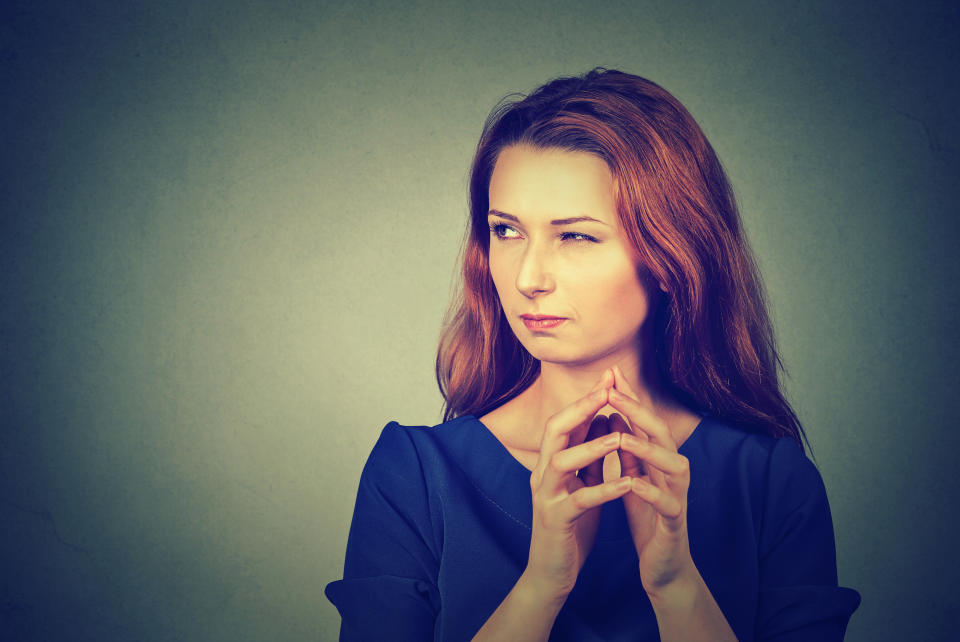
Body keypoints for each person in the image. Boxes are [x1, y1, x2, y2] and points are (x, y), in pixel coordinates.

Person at [325, 68, 861, 641]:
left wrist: (676, 587)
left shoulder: (771, 483)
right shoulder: (415, 473)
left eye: (575, 236)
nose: (528, 277)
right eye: (506, 231)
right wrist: (540, 587)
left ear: (672, 254)